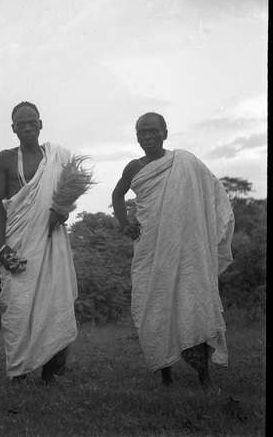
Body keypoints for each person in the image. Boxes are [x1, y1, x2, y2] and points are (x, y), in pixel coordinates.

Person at [111, 112, 234, 389]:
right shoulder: (134, 167)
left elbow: (213, 191)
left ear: (165, 133)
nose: (147, 137)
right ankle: (166, 375)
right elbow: (118, 194)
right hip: (151, 248)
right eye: (142, 132)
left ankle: (204, 376)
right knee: (152, 304)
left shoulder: (185, 162)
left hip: (186, 250)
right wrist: (123, 224)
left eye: (153, 131)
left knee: (193, 302)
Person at [0, 102, 79, 384]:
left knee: (55, 301)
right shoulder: (5, 159)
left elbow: (68, 195)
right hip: (17, 243)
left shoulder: (58, 156)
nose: (27, 128)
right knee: (17, 305)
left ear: (40, 124)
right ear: (13, 128)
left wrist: (61, 211)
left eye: (31, 123)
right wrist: (1, 247)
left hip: (51, 240)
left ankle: (50, 373)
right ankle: (19, 370)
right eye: (21, 124)